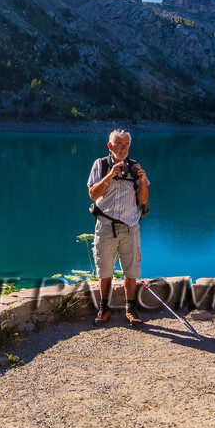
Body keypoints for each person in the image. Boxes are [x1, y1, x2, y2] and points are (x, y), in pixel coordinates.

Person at [86, 128, 149, 324]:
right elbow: (93, 195)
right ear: (110, 146)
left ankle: (131, 309)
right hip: (106, 226)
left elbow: (143, 198)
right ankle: (104, 309)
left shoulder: (135, 166)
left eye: (126, 145)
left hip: (130, 226)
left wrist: (141, 181)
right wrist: (110, 175)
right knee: (104, 271)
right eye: (119, 144)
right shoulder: (101, 164)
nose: (123, 148)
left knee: (131, 272)